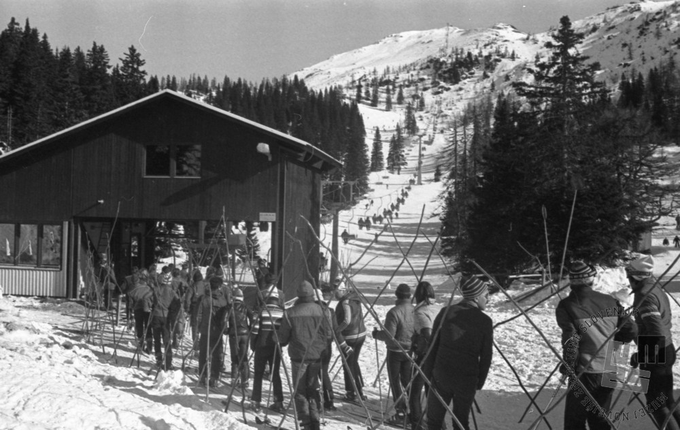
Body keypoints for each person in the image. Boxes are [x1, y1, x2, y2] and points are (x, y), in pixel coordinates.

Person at [556, 261, 637, 430]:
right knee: (600, 419)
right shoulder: (610, 301)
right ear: (591, 280)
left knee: (574, 421)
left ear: (571, 282)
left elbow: (571, 340)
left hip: (585, 372)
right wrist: (614, 344)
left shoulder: (567, 306)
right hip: (609, 369)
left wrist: (568, 366)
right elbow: (631, 328)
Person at [423, 275, 493, 430]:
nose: (488, 299)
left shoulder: (445, 313)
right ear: (476, 297)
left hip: (442, 376)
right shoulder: (484, 321)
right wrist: (478, 382)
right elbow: (486, 356)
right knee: (460, 422)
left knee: (434, 421)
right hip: (466, 380)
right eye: (486, 295)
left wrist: (428, 375)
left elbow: (432, 347)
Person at [627, 255, 680, 430]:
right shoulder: (655, 288)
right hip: (666, 349)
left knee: (656, 403)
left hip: (656, 353)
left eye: (629, 276)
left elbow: (656, 331)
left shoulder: (645, 296)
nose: (628, 280)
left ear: (636, 277)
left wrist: (643, 355)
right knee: (667, 399)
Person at [277, 280, 332, 430]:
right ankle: (315, 420)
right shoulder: (324, 311)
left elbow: (283, 338)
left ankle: (306, 423)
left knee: (300, 391)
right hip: (317, 356)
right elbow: (328, 334)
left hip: (299, 356)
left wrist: (279, 340)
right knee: (313, 389)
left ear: (298, 296)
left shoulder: (290, 313)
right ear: (312, 294)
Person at [372, 283, 414, 425]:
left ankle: (401, 412)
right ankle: (414, 410)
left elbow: (389, 335)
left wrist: (377, 334)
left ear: (397, 295)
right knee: (408, 381)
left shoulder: (394, 312)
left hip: (396, 351)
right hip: (410, 351)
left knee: (395, 381)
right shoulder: (415, 310)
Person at [410, 281, 440, 429]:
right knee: (432, 392)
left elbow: (427, 332)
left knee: (415, 392)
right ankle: (436, 423)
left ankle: (416, 423)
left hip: (425, 355)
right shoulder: (438, 308)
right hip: (439, 354)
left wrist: (419, 343)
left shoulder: (420, 311)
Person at [250, 288, 285, 413]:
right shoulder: (282, 312)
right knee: (275, 374)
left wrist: (253, 345)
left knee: (258, 373)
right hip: (276, 347)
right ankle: (278, 401)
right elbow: (284, 331)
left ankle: (256, 400)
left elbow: (254, 331)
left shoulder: (261, 311)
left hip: (261, 345)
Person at [318, 282, 351, 411]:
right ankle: (329, 400)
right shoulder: (330, 311)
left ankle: (315, 401)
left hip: (314, 347)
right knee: (324, 372)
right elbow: (336, 331)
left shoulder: (312, 311)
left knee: (312, 374)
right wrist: (343, 345)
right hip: (326, 346)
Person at [334, 277, 368, 402]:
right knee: (354, 362)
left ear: (342, 291)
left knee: (348, 364)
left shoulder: (345, 302)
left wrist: (337, 330)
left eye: (336, 292)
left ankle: (352, 392)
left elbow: (347, 320)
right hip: (361, 334)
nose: (335, 295)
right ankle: (359, 389)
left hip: (350, 336)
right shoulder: (355, 299)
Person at [196, 276, 230, 387]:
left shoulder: (204, 299)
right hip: (217, 331)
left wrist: (198, 328)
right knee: (217, 355)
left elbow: (199, 315)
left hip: (206, 330)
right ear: (219, 287)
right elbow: (226, 317)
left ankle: (203, 376)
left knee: (204, 354)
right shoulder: (223, 300)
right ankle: (214, 378)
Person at [150, 271, 181, 370]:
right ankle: (168, 362)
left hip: (156, 316)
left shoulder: (156, 290)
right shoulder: (172, 292)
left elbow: (151, 300)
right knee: (167, 340)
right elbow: (177, 303)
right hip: (166, 317)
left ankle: (158, 359)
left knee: (157, 339)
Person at [228, 287, 253, 389]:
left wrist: (226, 329)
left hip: (234, 334)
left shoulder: (230, 307)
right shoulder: (245, 307)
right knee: (244, 357)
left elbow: (224, 319)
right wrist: (249, 328)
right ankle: (245, 380)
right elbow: (252, 318)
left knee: (234, 357)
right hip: (245, 335)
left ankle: (234, 378)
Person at [127, 269, 154, 354]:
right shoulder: (150, 289)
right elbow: (154, 300)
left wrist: (130, 312)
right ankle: (149, 347)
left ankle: (141, 344)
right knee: (148, 327)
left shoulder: (133, 289)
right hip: (148, 310)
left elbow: (130, 302)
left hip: (137, 309)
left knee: (139, 326)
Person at [170, 268, 189, 348]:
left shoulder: (171, 282)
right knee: (180, 319)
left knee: (173, 321)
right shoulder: (183, 281)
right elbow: (188, 291)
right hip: (181, 303)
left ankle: (175, 339)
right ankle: (180, 333)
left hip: (172, 303)